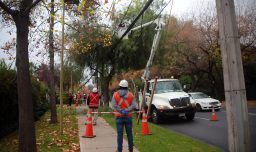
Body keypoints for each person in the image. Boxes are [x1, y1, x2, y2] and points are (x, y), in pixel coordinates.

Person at [111, 80, 137, 152]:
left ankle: (119, 150)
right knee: (129, 134)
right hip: (128, 116)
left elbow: (114, 105)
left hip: (119, 117)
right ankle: (131, 150)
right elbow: (134, 105)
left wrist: (121, 110)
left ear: (120, 86)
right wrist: (127, 110)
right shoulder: (131, 95)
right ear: (127, 86)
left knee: (120, 135)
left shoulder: (115, 94)